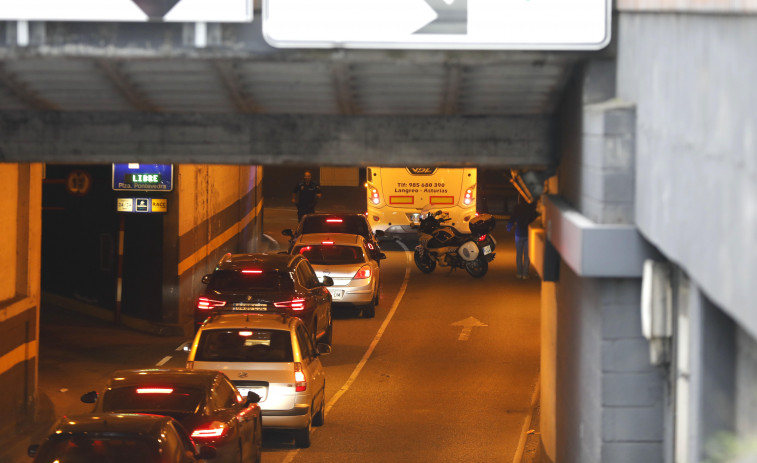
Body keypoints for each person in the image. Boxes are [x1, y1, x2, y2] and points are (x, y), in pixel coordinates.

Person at [507, 196, 538, 279]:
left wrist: (509, 227)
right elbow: (534, 218)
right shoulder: (530, 208)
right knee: (527, 255)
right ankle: (525, 274)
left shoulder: (517, 207)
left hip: (519, 233)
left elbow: (512, 218)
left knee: (519, 255)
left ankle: (519, 273)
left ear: (519, 199)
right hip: (527, 234)